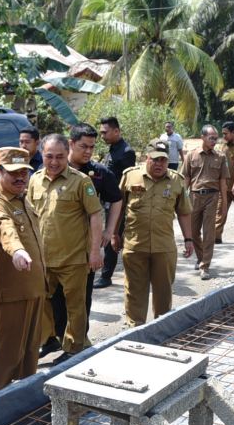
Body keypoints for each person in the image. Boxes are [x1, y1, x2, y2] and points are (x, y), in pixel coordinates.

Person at [27, 134, 102, 360]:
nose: (54, 162)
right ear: (42, 154)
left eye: (60, 156)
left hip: (73, 258)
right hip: (44, 258)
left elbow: (96, 216)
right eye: (49, 156)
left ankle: (74, 348)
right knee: (44, 303)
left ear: (67, 154)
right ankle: (49, 340)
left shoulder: (81, 181)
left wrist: (95, 251)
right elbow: (31, 217)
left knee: (75, 306)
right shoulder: (34, 180)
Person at [0, 147, 47, 393]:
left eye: (24, 172)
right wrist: (17, 251)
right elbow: (4, 228)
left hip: (32, 290)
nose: (20, 177)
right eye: (13, 173)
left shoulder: (21, 197)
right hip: (8, 295)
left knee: (29, 358)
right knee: (5, 360)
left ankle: (23, 410)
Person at [119, 140, 194, 325]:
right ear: (147, 158)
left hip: (163, 246)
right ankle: (134, 330)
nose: (159, 164)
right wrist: (113, 234)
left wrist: (189, 239)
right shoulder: (130, 176)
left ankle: (161, 327)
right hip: (135, 245)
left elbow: (184, 212)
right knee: (135, 290)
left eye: (163, 160)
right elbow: (118, 209)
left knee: (163, 291)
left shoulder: (177, 180)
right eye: (155, 159)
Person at [67, 123, 123, 343]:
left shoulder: (98, 173)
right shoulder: (57, 168)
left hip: (86, 244)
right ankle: (55, 337)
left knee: (82, 296)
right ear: (71, 143)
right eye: (84, 146)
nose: (88, 151)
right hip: (58, 243)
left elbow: (116, 199)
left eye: (92, 147)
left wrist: (110, 230)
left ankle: (79, 340)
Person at [181, 125, 229, 280]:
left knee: (209, 233)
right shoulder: (191, 155)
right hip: (194, 197)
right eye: (211, 138)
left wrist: (225, 205)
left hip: (212, 197)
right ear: (203, 137)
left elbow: (223, 182)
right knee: (193, 231)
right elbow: (186, 178)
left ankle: (205, 266)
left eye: (216, 138)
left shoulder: (220, 157)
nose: (214, 140)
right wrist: (181, 199)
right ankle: (201, 257)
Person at [94, 116, 136, 289]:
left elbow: (126, 181)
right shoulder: (112, 149)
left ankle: (106, 275)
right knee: (110, 235)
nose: (102, 135)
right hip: (107, 200)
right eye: (101, 132)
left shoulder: (126, 152)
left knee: (113, 236)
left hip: (118, 202)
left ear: (116, 131)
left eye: (105, 132)